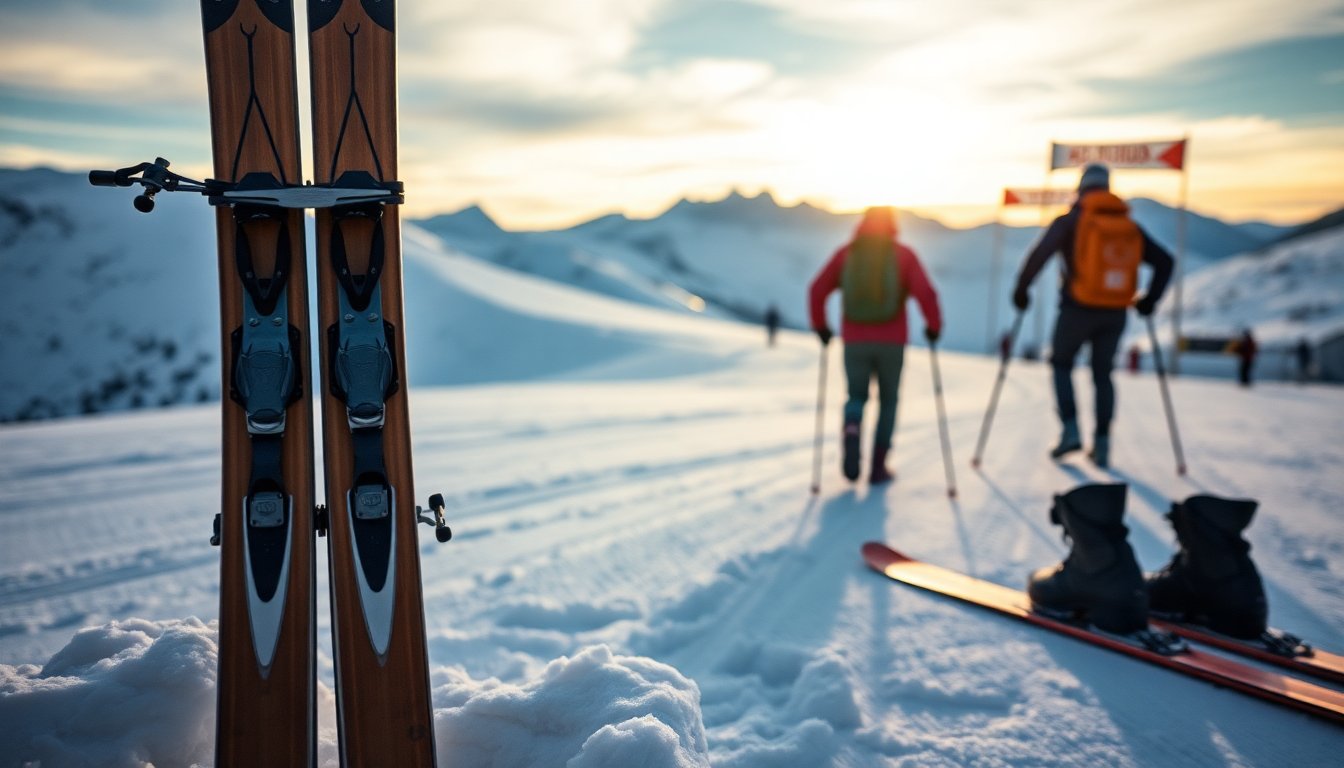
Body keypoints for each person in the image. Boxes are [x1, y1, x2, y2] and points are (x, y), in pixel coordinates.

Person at [1011, 163, 1173, 468]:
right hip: (1115, 312)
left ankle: (1070, 429)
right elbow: (1165, 261)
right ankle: (1102, 443)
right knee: (1103, 375)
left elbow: (1040, 254)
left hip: (1076, 310)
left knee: (1061, 364)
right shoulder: (1129, 225)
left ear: (1081, 187)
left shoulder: (1071, 221)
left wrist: (1022, 289)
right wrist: (1149, 300)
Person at [809, 206, 942, 484]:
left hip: (854, 340)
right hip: (892, 342)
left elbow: (816, 290)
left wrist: (821, 326)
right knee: (888, 401)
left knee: (856, 395)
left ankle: (853, 426)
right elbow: (926, 294)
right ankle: (879, 466)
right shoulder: (904, 255)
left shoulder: (847, 253)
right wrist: (933, 326)